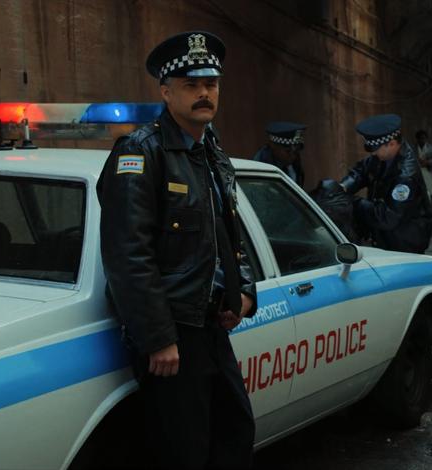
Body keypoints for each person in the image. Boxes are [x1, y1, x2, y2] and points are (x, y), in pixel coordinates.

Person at [97, 31, 257, 469]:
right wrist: (158, 338)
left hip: (209, 323)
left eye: (211, 84)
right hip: (173, 331)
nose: (205, 93)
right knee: (184, 451)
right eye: (191, 85)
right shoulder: (141, 153)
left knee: (234, 432)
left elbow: (228, 231)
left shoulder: (211, 150)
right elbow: (128, 254)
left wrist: (241, 290)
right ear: (166, 93)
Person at [340, 114, 432, 253]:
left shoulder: (405, 176)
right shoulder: (384, 156)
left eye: (376, 149)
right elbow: (362, 170)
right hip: (386, 237)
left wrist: (354, 203)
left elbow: (388, 217)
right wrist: (344, 186)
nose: (373, 154)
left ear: (391, 144)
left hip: (404, 243)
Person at [253, 121, 306, 187]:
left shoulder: (294, 164)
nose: (293, 156)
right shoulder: (261, 168)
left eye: (296, 151)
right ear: (273, 146)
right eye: (288, 151)